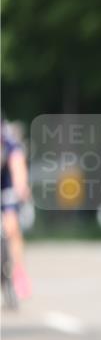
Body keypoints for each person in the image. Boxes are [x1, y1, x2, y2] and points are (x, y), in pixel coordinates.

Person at [1, 117, 31, 299]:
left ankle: (18, 271)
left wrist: (22, 188)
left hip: (6, 183)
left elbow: (18, 167)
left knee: (12, 226)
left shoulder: (10, 143)